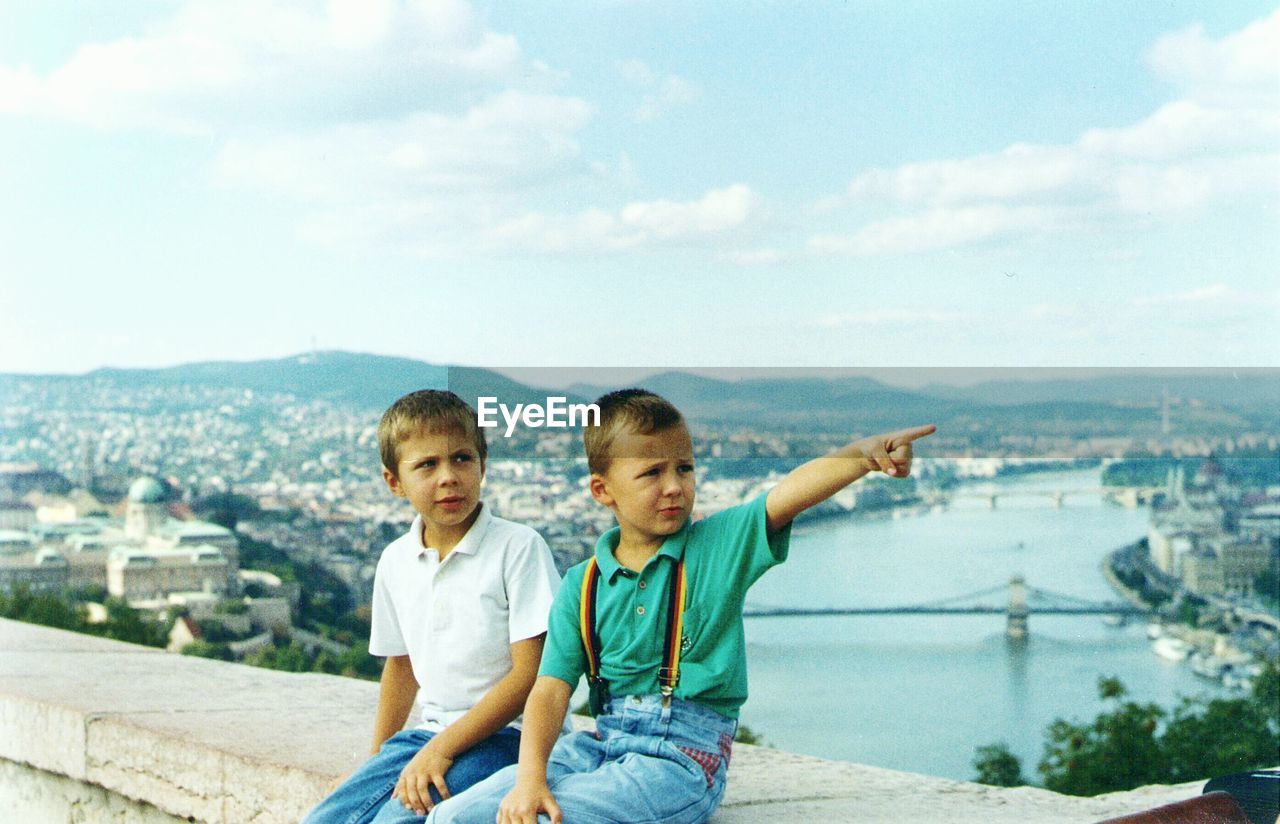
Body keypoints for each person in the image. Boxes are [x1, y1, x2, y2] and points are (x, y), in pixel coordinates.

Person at [429, 388, 935, 824]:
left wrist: (863, 456)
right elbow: (549, 689)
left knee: (563, 817)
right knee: (452, 816)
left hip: (680, 757)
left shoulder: (717, 547)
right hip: (601, 744)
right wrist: (530, 779)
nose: (675, 486)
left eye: (685, 468)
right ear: (603, 491)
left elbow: (787, 496)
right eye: (651, 473)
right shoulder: (581, 585)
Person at [303, 390, 561, 823]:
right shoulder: (396, 561)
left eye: (462, 459)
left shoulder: (517, 548)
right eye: (427, 465)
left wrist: (441, 749)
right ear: (394, 482)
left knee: (396, 820)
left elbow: (531, 675)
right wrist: (375, 767)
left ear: (483, 465)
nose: (449, 477)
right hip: (428, 734)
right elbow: (401, 667)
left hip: (508, 738)